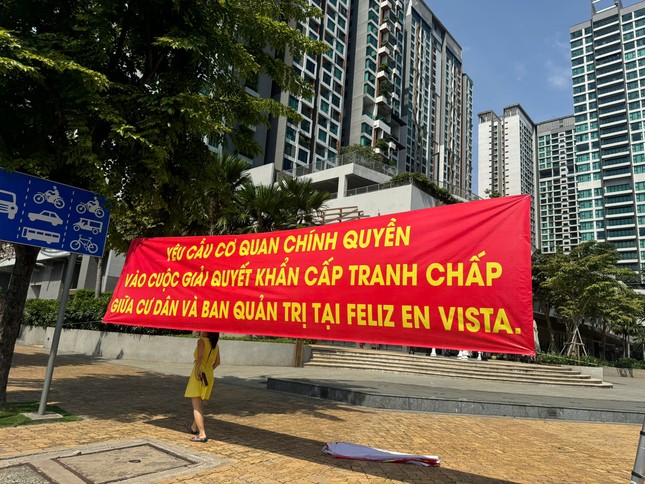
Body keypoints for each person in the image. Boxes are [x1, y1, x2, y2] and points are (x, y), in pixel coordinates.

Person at [184, 331, 220, 442]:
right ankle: (193, 427)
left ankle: (202, 434)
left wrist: (197, 372)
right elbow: (217, 362)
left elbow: (199, 357)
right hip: (208, 374)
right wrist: (208, 370)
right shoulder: (215, 344)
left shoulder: (201, 341)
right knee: (200, 403)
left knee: (196, 405)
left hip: (199, 373)